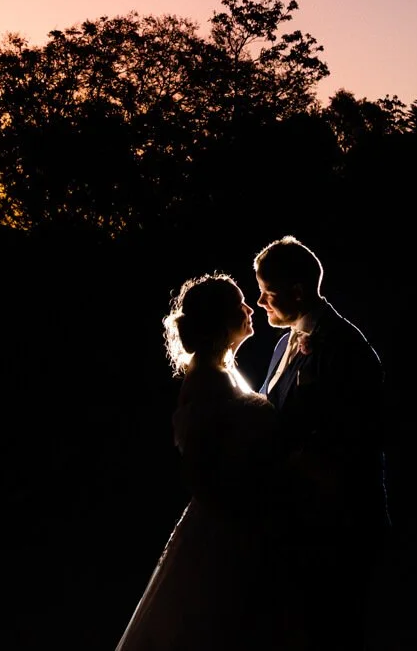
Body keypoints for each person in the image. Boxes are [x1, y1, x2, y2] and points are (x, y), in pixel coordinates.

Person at [117, 274, 292, 651]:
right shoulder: (205, 381)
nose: (249, 309)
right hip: (223, 533)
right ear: (221, 319)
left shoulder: (223, 371)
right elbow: (200, 472)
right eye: (240, 304)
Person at [254, 236, 387, 651]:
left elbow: (353, 438)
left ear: (297, 291)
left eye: (267, 292)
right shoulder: (283, 342)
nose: (260, 302)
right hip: (297, 521)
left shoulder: (347, 348)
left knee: (335, 631)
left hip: (337, 523)